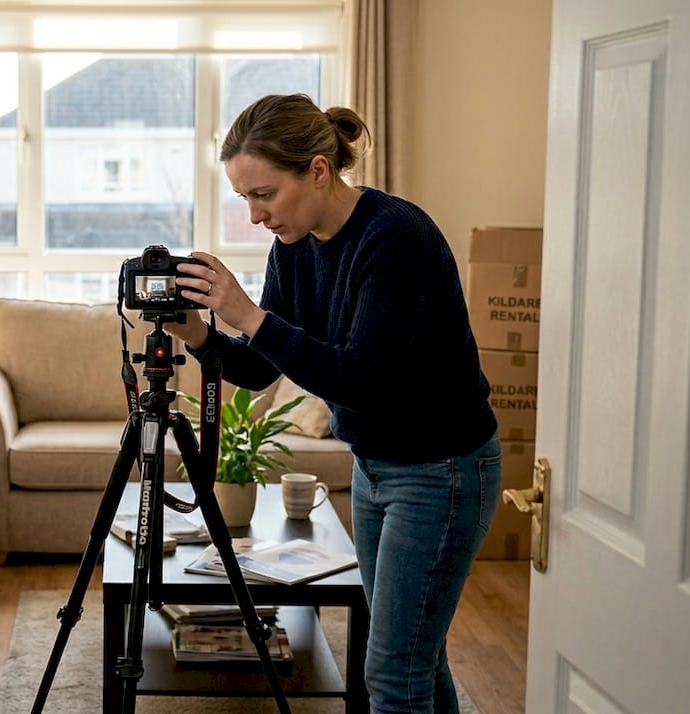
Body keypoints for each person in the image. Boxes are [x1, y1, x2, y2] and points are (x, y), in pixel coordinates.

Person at [165, 93, 501, 714]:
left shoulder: (394, 236)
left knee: (393, 670)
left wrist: (245, 312)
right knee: (415, 661)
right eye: (244, 199)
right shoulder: (293, 246)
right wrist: (204, 337)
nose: (256, 215)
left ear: (319, 169)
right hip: (377, 468)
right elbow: (264, 366)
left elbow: (359, 377)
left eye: (265, 194)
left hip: (443, 471)